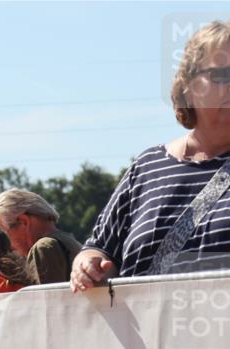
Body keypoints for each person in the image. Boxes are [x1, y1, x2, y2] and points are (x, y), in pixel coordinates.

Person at [72, 20, 230, 291]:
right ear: (189, 87)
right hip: (147, 333)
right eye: (222, 75)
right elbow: (98, 248)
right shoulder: (147, 167)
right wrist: (87, 266)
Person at [0, 188, 82, 284]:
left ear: (23, 222)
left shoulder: (43, 248)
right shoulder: (70, 241)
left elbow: (45, 298)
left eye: (5, 235)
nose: (7, 247)